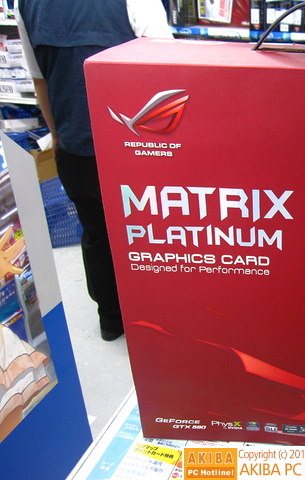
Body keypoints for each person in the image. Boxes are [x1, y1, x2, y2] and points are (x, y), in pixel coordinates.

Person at [16, 0, 173, 341]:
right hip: (138, 150)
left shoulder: (26, 4)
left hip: (76, 148)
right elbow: (166, 69)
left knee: (96, 233)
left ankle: (111, 320)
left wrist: (57, 134)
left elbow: (40, 80)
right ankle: (157, 327)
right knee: (153, 237)